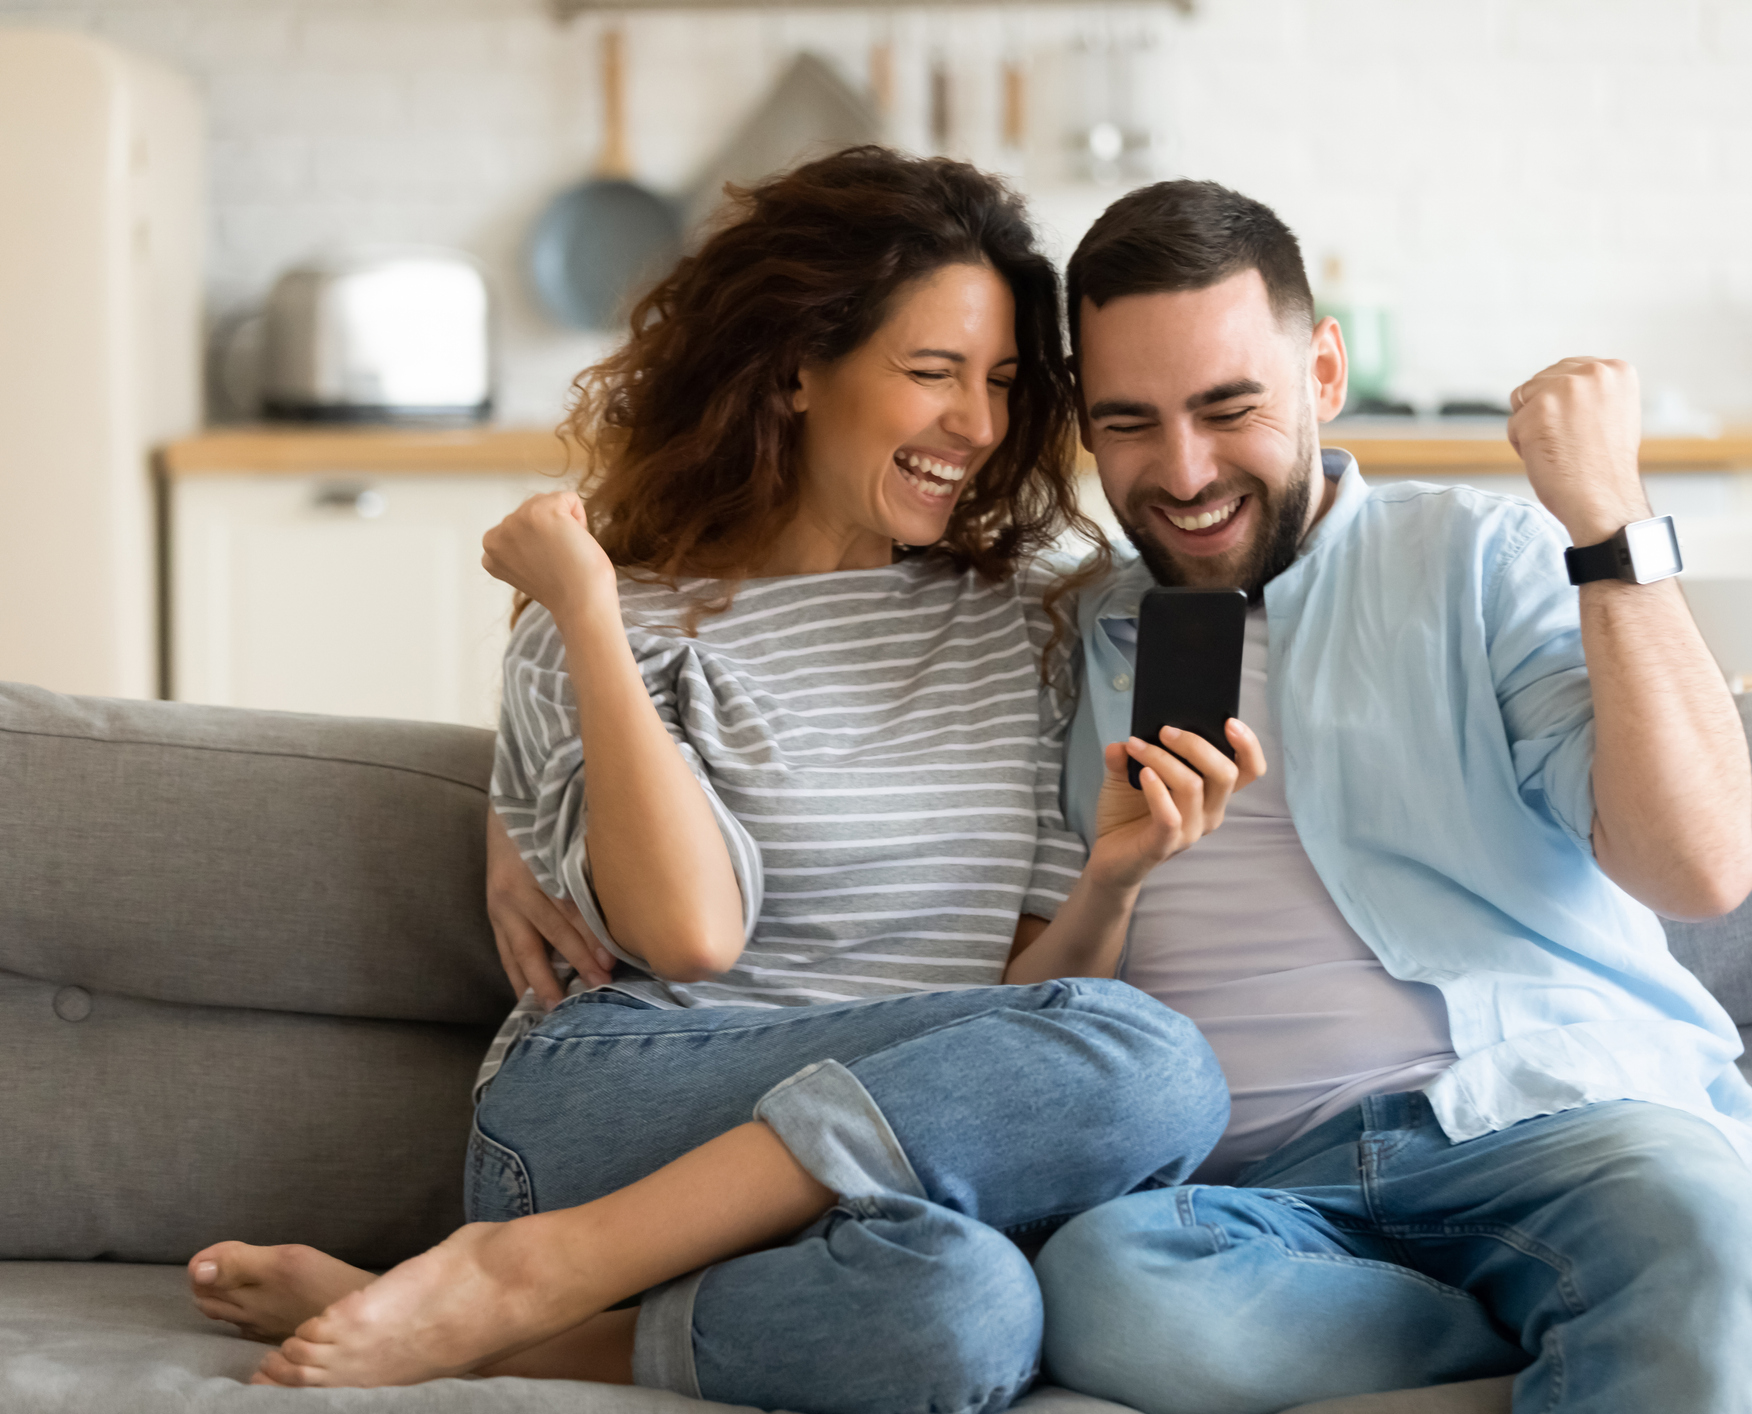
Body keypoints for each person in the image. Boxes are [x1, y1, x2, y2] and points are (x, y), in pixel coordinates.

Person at [185, 147, 1265, 1406]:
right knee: (1157, 1061)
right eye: (931, 373)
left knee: (971, 1304)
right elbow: (689, 933)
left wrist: (1113, 885)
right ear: (798, 368)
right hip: (609, 1112)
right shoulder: (612, 620)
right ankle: (540, 1259)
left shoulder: (1024, 625)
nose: (975, 424)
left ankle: (514, 1320)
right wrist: (587, 608)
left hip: (878, 1164)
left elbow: (1025, 1015)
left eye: (1003, 383)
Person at [1025, 179, 1752, 1414]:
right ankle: (1700, 1305)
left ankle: (1699, 1281)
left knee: (1695, 1226)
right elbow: (1046, 1002)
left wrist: (1609, 514)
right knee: (1107, 1290)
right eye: (1130, 423)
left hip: (1544, 1126)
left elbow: (1701, 868)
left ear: (1323, 372)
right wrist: (1118, 874)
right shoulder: (1074, 640)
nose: (1186, 471)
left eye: (1230, 408)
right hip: (1255, 1195)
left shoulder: (1479, 559)